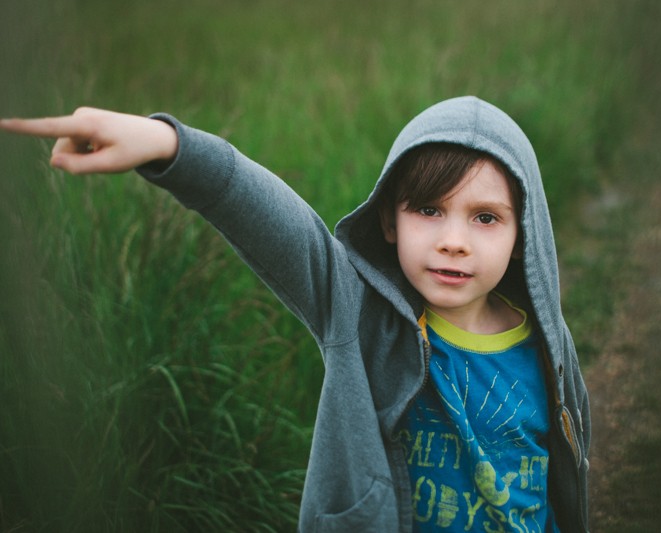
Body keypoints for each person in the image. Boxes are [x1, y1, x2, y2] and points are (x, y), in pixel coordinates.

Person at [0, 96, 590, 532]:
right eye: (430, 210)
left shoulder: (547, 345)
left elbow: (566, 481)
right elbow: (273, 218)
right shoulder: (357, 313)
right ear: (390, 220)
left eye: (485, 217)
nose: (454, 241)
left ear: (523, 233)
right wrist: (172, 148)